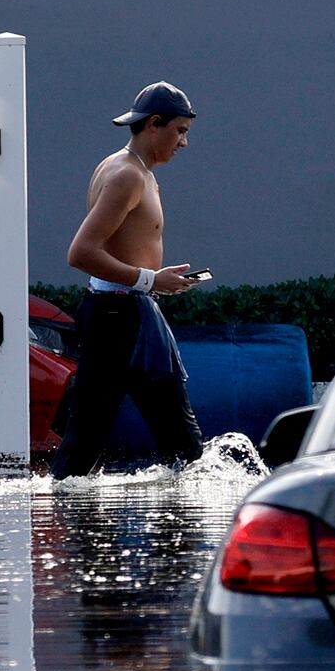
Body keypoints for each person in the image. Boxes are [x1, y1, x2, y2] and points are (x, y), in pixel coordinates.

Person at [55, 82, 207, 476]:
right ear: (154, 124)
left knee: (85, 441)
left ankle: (67, 522)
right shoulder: (127, 175)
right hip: (122, 316)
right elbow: (81, 253)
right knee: (184, 447)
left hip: (119, 312)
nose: (184, 143)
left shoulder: (129, 168)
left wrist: (151, 282)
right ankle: (189, 528)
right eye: (180, 131)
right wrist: (149, 281)